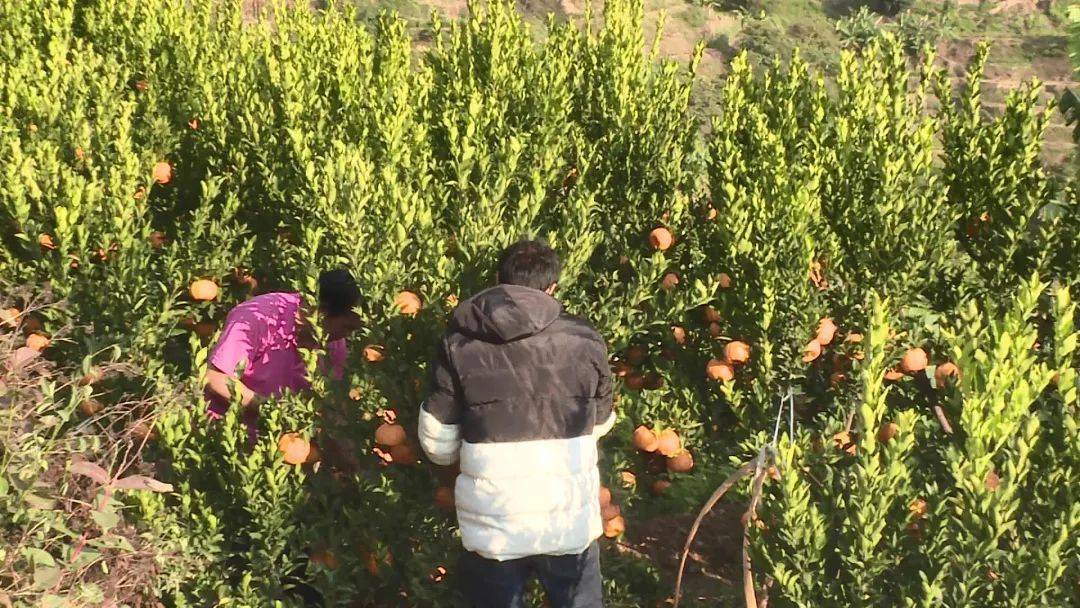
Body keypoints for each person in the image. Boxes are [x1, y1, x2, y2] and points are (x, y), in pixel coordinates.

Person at [418, 240, 615, 608]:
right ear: (552, 287)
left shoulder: (460, 342)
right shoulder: (584, 339)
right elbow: (600, 421)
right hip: (565, 518)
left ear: (497, 280)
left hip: (495, 522)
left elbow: (437, 440)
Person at [203, 269, 363, 433]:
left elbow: (334, 405)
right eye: (347, 327)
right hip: (228, 435)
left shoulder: (333, 342)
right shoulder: (258, 318)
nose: (347, 335)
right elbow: (216, 378)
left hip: (287, 445)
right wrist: (272, 410)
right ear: (320, 312)